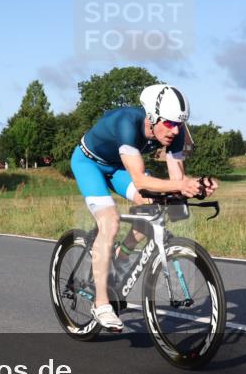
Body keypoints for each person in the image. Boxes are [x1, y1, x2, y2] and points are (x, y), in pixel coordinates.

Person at [71, 84, 218, 332]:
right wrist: (181, 185)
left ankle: (120, 258)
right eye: (169, 123)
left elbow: (177, 179)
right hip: (89, 164)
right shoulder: (127, 123)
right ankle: (101, 304)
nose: (175, 130)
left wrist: (197, 186)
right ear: (151, 117)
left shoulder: (175, 131)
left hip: (119, 167)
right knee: (110, 221)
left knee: (153, 206)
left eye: (179, 124)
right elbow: (139, 180)